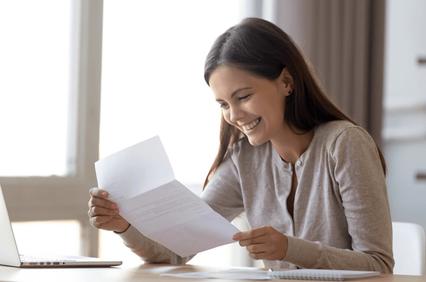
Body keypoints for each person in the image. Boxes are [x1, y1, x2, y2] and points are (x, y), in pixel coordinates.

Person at [88, 17, 394, 272]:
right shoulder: (243, 159)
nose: (234, 116)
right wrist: (122, 225)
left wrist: (289, 249)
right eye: (223, 104)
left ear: (286, 82)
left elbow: (378, 264)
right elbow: (177, 251)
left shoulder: (344, 144)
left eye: (243, 97)